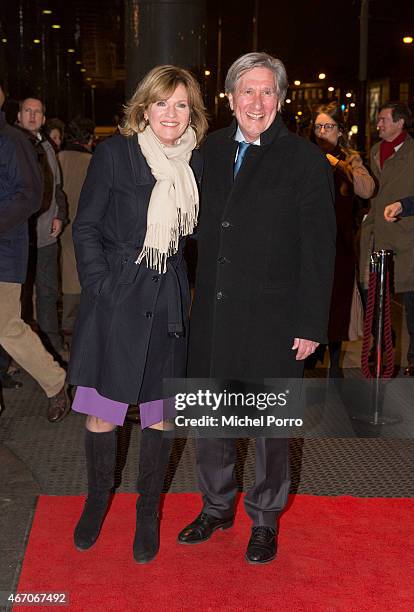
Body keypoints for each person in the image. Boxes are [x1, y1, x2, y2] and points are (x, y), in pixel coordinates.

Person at [177, 52, 336, 564]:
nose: (258, 102)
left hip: (275, 319)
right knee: (210, 421)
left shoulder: (305, 160)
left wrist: (311, 323)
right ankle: (217, 506)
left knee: (269, 430)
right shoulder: (208, 152)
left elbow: (320, 250)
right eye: (248, 91)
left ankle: (265, 518)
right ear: (230, 98)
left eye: (269, 91)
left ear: (282, 99)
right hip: (214, 316)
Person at [67, 65, 207, 563]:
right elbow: (85, 229)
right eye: (162, 103)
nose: (171, 114)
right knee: (104, 412)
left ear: (193, 113)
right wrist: (102, 287)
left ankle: (147, 511)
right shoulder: (115, 154)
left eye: (182, 105)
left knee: (160, 415)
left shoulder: (196, 164)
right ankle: (97, 501)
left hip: (167, 301)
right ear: (143, 108)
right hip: (117, 300)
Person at [0, 82, 70, 422]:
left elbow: (32, 194)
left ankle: (56, 382)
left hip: (5, 252)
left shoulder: (13, 141)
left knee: (7, 326)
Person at [311, 103, 375, 376]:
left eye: (329, 126)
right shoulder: (305, 155)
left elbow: (367, 189)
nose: (323, 132)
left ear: (340, 131)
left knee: (337, 305)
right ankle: (309, 360)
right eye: (318, 127)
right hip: (310, 242)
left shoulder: (350, 159)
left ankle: (334, 365)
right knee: (312, 301)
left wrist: (337, 163)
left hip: (340, 245)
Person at [360, 101, 414, 376]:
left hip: (407, 241)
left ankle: (412, 361)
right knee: (374, 297)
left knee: (412, 306)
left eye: (383, 119)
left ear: (400, 122)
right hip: (377, 237)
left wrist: (405, 205)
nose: (378, 124)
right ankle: (380, 349)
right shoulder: (373, 151)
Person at [17, 98, 68, 360]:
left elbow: (57, 188)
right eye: (28, 111)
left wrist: (60, 215)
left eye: (37, 112)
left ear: (44, 118)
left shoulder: (46, 144)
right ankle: (19, 357)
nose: (33, 116)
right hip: (17, 240)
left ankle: (52, 348)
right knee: (18, 300)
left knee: (48, 294)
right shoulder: (11, 143)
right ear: (18, 115)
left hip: (46, 237)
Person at [58, 117, 95, 335]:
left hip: (60, 223)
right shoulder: (93, 161)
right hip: (86, 224)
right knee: (79, 273)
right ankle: (74, 321)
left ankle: (66, 322)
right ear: (89, 138)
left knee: (66, 271)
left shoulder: (58, 158)